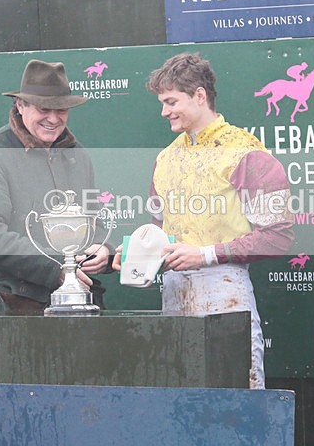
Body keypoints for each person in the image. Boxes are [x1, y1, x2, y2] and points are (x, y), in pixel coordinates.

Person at [114, 52, 295, 389]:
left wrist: (205, 255)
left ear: (199, 96)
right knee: (180, 401)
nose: (164, 112)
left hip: (225, 291)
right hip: (173, 295)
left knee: (237, 397)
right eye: (162, 103)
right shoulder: (165, 158)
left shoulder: (246, 151)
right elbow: (158, 231)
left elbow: (278, 235)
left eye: (171, 102)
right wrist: (127, 254)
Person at [0, 60, 112, 315]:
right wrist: (56, 270)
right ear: (20, 106)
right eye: (44, 109)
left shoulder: (78, 156)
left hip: (77, 310)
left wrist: (103, 251)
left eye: (61, 109)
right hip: (10, 315)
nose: (53, 118)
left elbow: (93, 224)